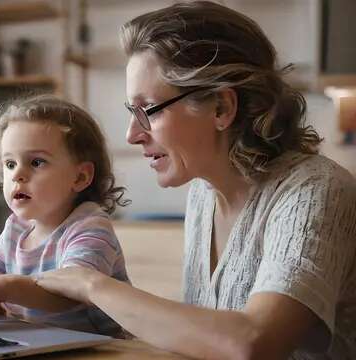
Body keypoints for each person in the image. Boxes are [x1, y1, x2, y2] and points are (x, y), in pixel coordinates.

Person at [35, 1, 356, 359]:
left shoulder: (315, 190)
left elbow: (254, 342)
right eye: (132, 112)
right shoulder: (203, 195)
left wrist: (92, 285)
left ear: (221, 107)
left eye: (148, 111)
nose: (131, 134)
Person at [0, 95, 131, 336]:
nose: (18, 175)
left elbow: (75, 291)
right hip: (40, 342)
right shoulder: (16, 228)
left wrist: (11, 286)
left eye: (37, 162)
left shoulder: (90, 226)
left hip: (101, 349)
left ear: (80, 177)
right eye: (10, 164)